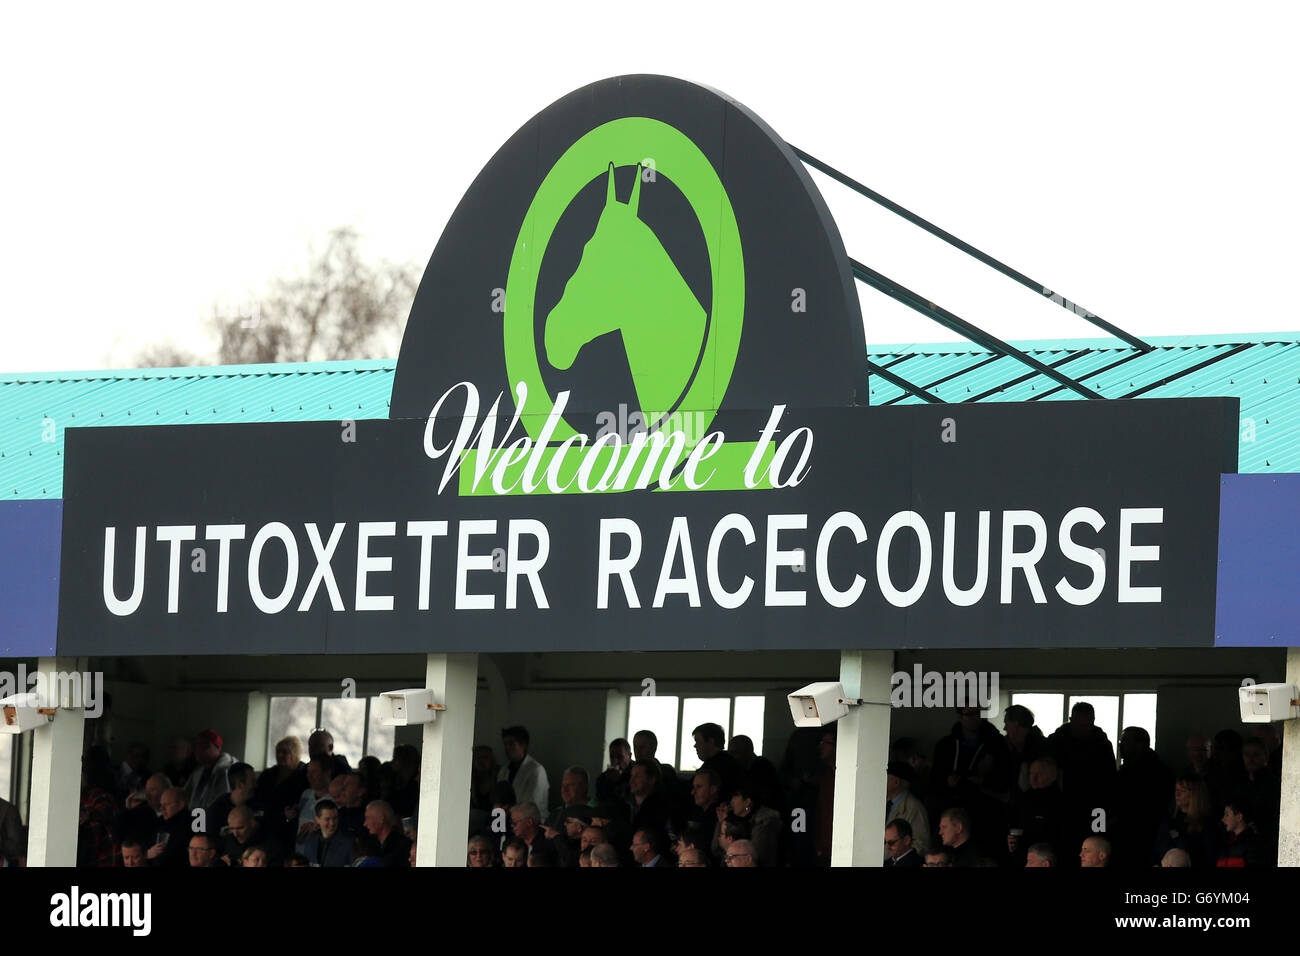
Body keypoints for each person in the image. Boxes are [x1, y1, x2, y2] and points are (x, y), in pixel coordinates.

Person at [1114, 726, 1173, 866]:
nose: (1121, 745)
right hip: (1127, 837)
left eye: (1125, 741)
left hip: (1145, 838)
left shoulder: (1157, 774)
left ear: (1140, 745)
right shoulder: (1126, 771)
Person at [1152, 773, 1217, 868]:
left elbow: (1210, 856)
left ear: (1195, 794)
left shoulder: (1205, 824)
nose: (1177, 794)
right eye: (1176, 790)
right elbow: (1157, 849)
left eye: (1182, 791)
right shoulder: (1170, 821)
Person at [184, 729, 238, 815]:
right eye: (196, 746)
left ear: (217, 748)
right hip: (196, 820)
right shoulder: (198, 771)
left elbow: (222, 802)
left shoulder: (225, 770)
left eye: (203, 745)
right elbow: (186, 794)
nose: (197, 750)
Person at [725, 783, 781, 866]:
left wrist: (728, 847)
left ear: (747, 802)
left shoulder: (763, 824)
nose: (731, 802)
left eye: (736, 797)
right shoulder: (738, 822)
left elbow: (759, 858)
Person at [885, 761, 931, 858]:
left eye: (886, 777)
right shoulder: (882, 804)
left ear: (896, 782)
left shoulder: (914, 807)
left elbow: (921, 845)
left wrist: (897, 860)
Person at [498, 726, 549, 813]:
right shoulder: (504, 770)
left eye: (511, 744)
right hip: (508, 819)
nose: (507, 748)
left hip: (529, 821)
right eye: (505, 744)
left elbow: (532, 805)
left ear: (523, 745)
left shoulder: (536, 770)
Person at [1003, 704, 1049, 794]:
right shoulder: (1042, 746)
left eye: (1006, 723)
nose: (1004, 728)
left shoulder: (1041, 750)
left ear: (1015, 725)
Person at [147, 787, 190, 868]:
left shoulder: (189, 825)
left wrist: (148, 855)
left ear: (180, 805)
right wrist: (148, 853)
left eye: (166, 804)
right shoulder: (161, 822)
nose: (161, 808)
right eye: (161, 805)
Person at [692, 722, 740, 796]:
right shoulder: (729, 762)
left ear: (711, 741)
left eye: (698, 741)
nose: (695, 746)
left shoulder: (714, 768)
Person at [300, 799, 352, 867]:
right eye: (327, 819)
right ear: (317, 820)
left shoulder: (348, 842)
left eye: (335, 818)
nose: (332, 823)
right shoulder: (310, 840)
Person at [1216, 799, 1265, 867]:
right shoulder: (1225, 843)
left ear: (1239, 817)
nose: (1223, 819)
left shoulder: (1252, 844)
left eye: (1227, 815)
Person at [363, 799, 411, 867]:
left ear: (381, 819)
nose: (365, 824)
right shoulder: (370, 847)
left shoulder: (403, 846)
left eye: (368, 818)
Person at [596, 738, 633, 803]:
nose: (615, 761)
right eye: (612, 756)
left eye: (620, 757)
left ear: (629, 756)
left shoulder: (636, 775)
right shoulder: (603, 778)